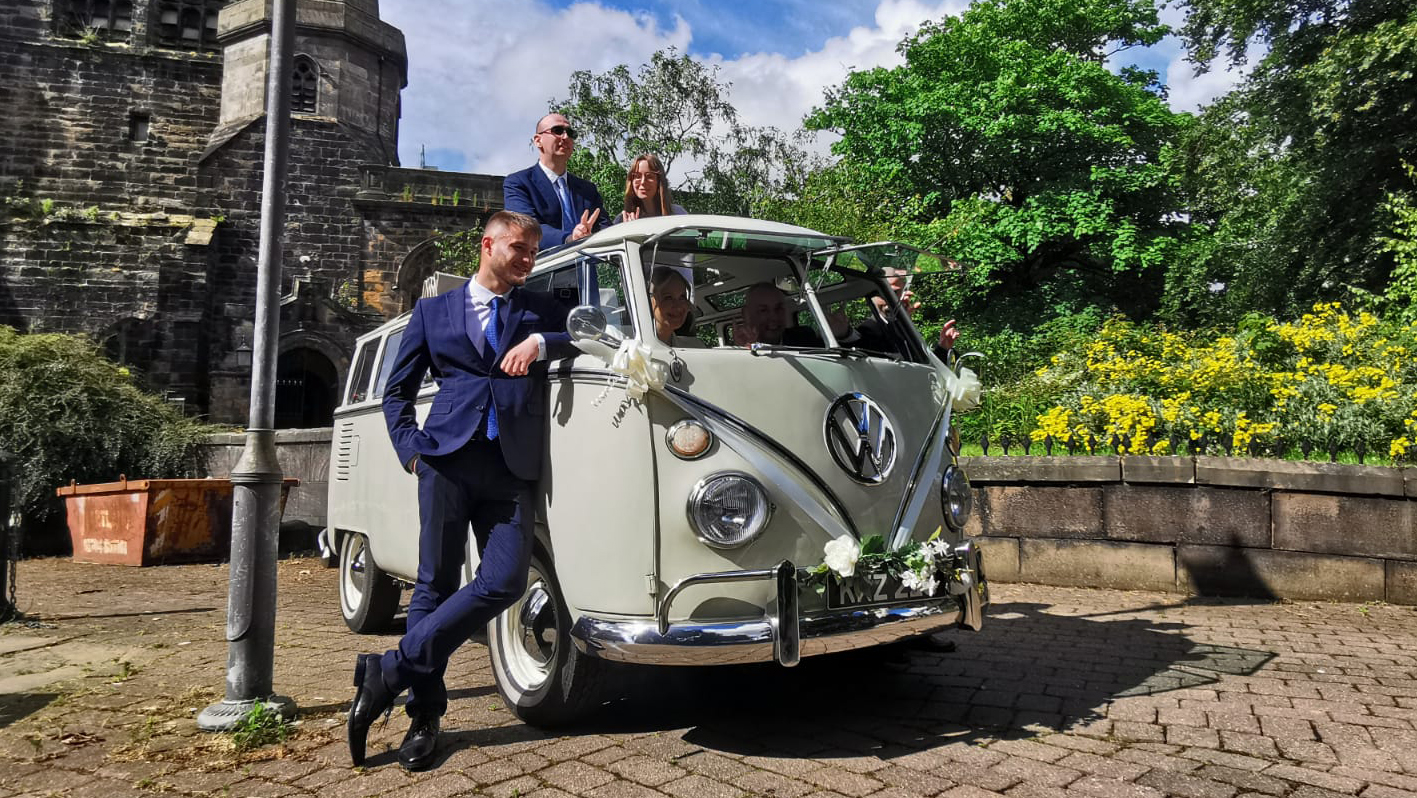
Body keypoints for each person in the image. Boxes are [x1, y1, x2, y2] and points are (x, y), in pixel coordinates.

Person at [348, 211, 574, 772]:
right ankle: (425, 717)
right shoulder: (432, 312)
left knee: (504, 582)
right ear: (488, 245)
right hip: (445, 461)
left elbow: (593, 332)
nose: (527, 259)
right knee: (435, 585)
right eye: (518, 248)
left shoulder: (538, 307)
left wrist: (542, 343)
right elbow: (394, 392)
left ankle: (389, 670)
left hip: (511, 468)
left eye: (532, 251)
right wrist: (412, 451)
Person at [502, 112, 609, 247]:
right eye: (557, 131)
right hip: (545, 265)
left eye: (570, 133)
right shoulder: (518, 183)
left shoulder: (588, 190)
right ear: (538, 140)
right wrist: (570, 238)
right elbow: (526, 228)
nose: (565, 137)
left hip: (587, 265)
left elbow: (605, 228)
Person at [614, 154, 686, 223]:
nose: (642, 182)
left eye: (649, 177)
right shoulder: (622, 220)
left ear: (659, 181)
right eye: (637, 176)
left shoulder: (678, 214)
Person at [648, 267, 705, 348]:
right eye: (668, 297)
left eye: (682, 297)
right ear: (650, 302)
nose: (678, 307)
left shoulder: (696, 347)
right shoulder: (633, 350)